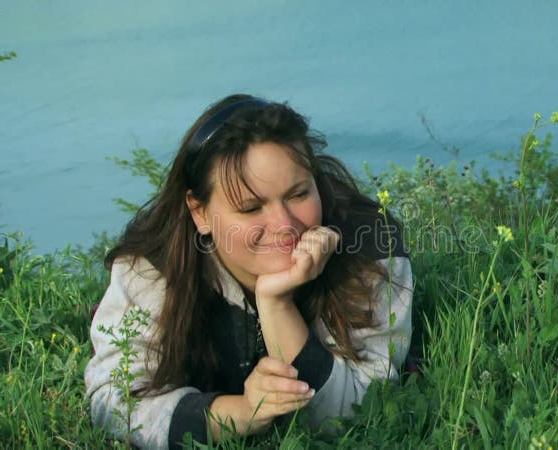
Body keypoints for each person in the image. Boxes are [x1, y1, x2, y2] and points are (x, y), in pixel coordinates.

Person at [84, 94, 413, 449]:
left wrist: (276, 303)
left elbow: (359, 413)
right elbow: (114, 400)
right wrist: (238, 414)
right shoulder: (154, 266)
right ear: (199, 212)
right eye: (251, 207)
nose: (284, 225)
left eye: (299, 193)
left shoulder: (369, 250)